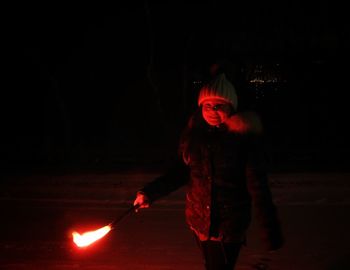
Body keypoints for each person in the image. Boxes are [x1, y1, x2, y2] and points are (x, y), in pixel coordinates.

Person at [133, 73, 284, 270]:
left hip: (228, 226)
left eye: (219, 105)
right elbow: (181, 172)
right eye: (207, 105)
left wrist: (270, 228)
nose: (213, 111)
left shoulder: (242, 140)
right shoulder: (194, 136)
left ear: (231, 107)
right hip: (199, 223)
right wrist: (149, 193)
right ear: (201, 108)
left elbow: (259, 187)